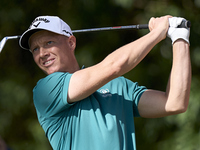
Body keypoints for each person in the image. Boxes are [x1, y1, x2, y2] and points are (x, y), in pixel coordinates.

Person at [19, 15, 191, 150]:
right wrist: (157, 33)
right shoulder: (45, 90)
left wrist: (180, 37)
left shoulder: (118, 85)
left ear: (71, 42)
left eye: (49, 43)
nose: (42, 53)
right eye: (35, 48)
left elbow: (174, 103)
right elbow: (113, 66)